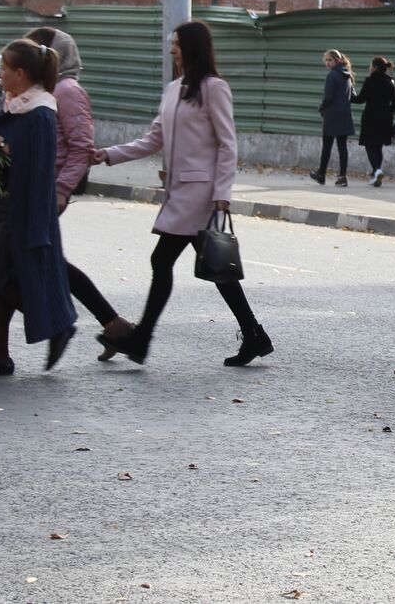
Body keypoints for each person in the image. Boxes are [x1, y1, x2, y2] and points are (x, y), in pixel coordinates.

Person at [93, 20, 273, 366]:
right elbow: (154, 139)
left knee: (163, 260)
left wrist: (222, 192)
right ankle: (253, 335)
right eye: (171, 42)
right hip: (180, 192)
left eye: (176, 43)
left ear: (192, 47)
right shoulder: (174, 88)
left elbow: (227, 143)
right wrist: (109, 154)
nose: (171, 48)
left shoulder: (214, 88)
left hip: (201, 193)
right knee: (217, 268)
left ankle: (142, 338)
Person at [0, 28, 135, 364]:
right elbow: (9, 144)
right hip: (19, 189)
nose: (2, 72)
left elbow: (78, 148)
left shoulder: (59, 94)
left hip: (39, 191)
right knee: (17, 269)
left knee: (31, 267)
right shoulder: (20, 98)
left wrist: (61, 189)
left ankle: (76, 327)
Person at [0, 39, 77, 375]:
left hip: (19, 211)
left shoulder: (40, 112)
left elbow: (37, 166)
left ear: (20, 73)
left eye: (4, 69)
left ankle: (53, 327)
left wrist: (3, 146)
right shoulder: (14, 105)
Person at [351, 56, 395, 187]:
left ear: (375, 67)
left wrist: (349, 96)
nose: (369, 68)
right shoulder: (391, 82)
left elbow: (361, 99)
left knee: (369, 145)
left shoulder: (370, 80)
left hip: (370, 118)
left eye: (370, 66)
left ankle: (377, 170)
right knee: (378, 146)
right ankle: (375, 173)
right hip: (385, 119)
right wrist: (387, 112)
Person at [312, 49, 355, 186]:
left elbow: (328, 97)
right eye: (326, 60)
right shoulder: (347, 75)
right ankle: (342, 177)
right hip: (345, 114)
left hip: (332, 115)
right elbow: (353, 96)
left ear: (337, 60)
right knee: (342, 146)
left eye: (330, 60)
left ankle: (321, 174)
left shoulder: (332, 76)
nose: (327, 63)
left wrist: (321, 107)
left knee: (327, 146)